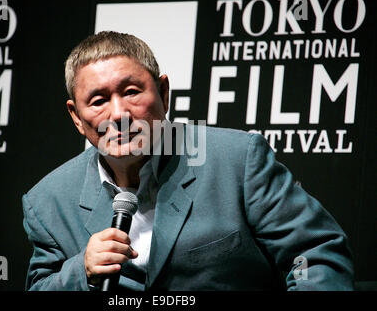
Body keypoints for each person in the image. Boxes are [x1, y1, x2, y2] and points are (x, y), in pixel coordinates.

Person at [22, 31, 354, 290]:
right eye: (98, 101)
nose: (119, 114)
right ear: (76, 117)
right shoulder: (48, 202)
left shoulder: (237, 161)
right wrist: (82, 272)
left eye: (132, 92)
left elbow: (315, 252)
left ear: (163, 94)